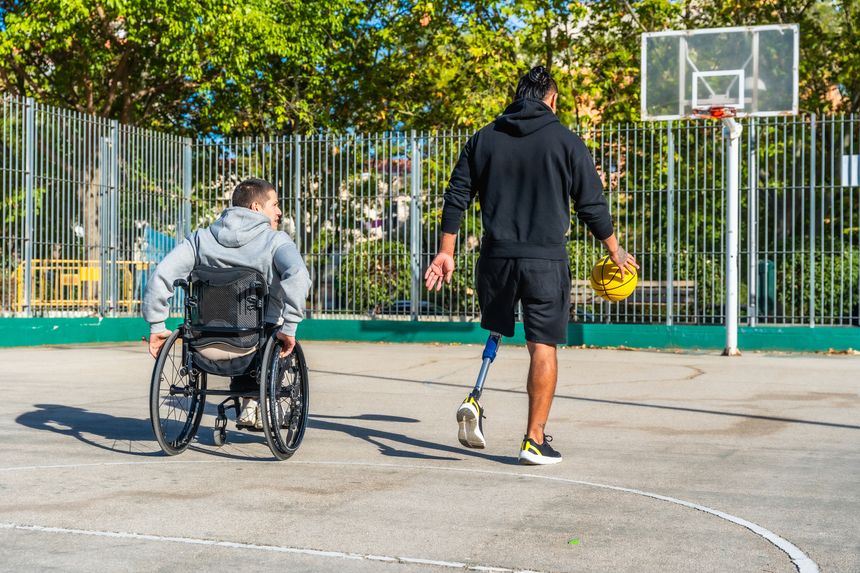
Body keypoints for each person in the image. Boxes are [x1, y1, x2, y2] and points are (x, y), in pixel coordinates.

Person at [424, 66, 638, 465]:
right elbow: (591, 204)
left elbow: (457, 196)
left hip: (497, 258)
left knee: (499, 324)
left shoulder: (483, 138)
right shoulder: (567, 142)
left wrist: (446, 251)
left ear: (517, 97)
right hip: (545, 260)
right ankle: (533, 440)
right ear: (551, 99)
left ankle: (477, 397)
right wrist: (614, 249)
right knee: (543, 347)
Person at [144, 177, 311, 430]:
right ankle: (257, 399)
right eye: (275, 204)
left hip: (204, 343)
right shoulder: (276, 241)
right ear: (256, 208)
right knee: (271, 329)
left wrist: (157, 324)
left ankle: (250, 399)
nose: (279, 211)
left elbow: (162, 275)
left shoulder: (200, 239)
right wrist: (290, 327)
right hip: (254, 340)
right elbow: (298, 276)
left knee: (240, 321)